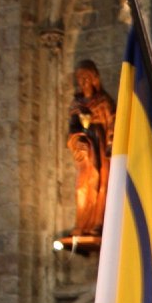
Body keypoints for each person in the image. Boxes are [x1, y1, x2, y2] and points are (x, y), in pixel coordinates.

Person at [66, 59, 116, 236]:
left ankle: (98, 222)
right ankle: (83, 223)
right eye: (80, 78)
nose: (83, 82)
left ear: (95, 79)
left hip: (101, 148)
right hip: (85, 150)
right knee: (83, 185)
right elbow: (72, 128)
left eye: (87, 77)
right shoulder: (76, 105)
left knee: (101, 183)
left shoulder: (103, 101)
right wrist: (76, 139)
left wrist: (110, 144)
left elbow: (112, 123)